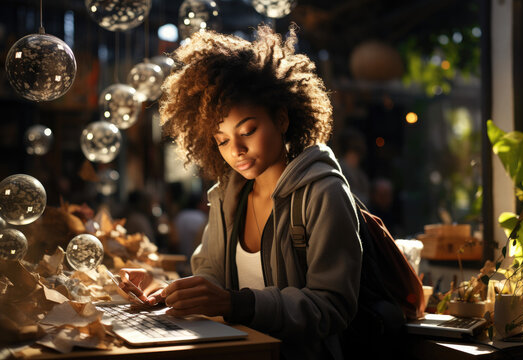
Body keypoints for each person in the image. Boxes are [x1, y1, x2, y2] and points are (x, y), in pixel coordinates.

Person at [119, 24, 362, 360]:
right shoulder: (227, 196)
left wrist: (237, 304)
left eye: (248, 130)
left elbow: (332, 306)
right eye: (221, 140)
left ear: (281, 118)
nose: (236, 151)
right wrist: (170, 290)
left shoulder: (322, 193)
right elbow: (211, 278)